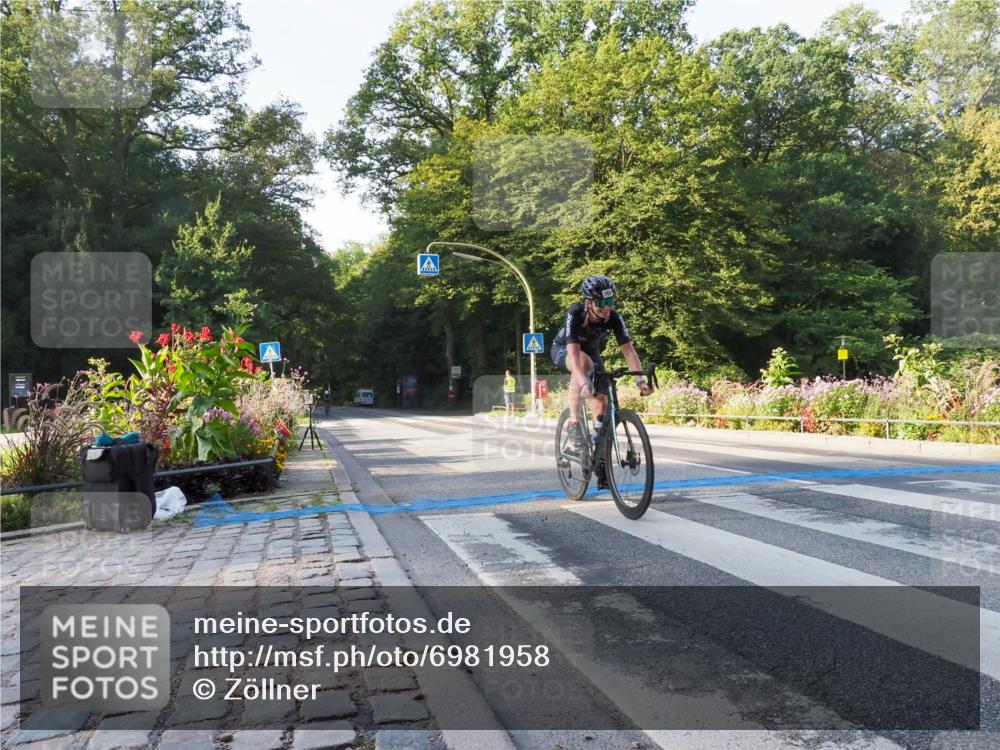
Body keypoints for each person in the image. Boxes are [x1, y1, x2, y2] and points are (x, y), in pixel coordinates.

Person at [550, 275, 653, 487]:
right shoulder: (575, 313)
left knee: (603, 403)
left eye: (610, 302)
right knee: (584, 365)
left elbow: (629, 351)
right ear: (589, 302)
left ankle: (601, 462)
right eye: (602, 303)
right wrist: (584, 383)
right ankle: (573, 422)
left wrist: (639, 381)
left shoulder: (614, 317)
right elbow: (575, 356)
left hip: (591, 352)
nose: (607, 308)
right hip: (564, 350)